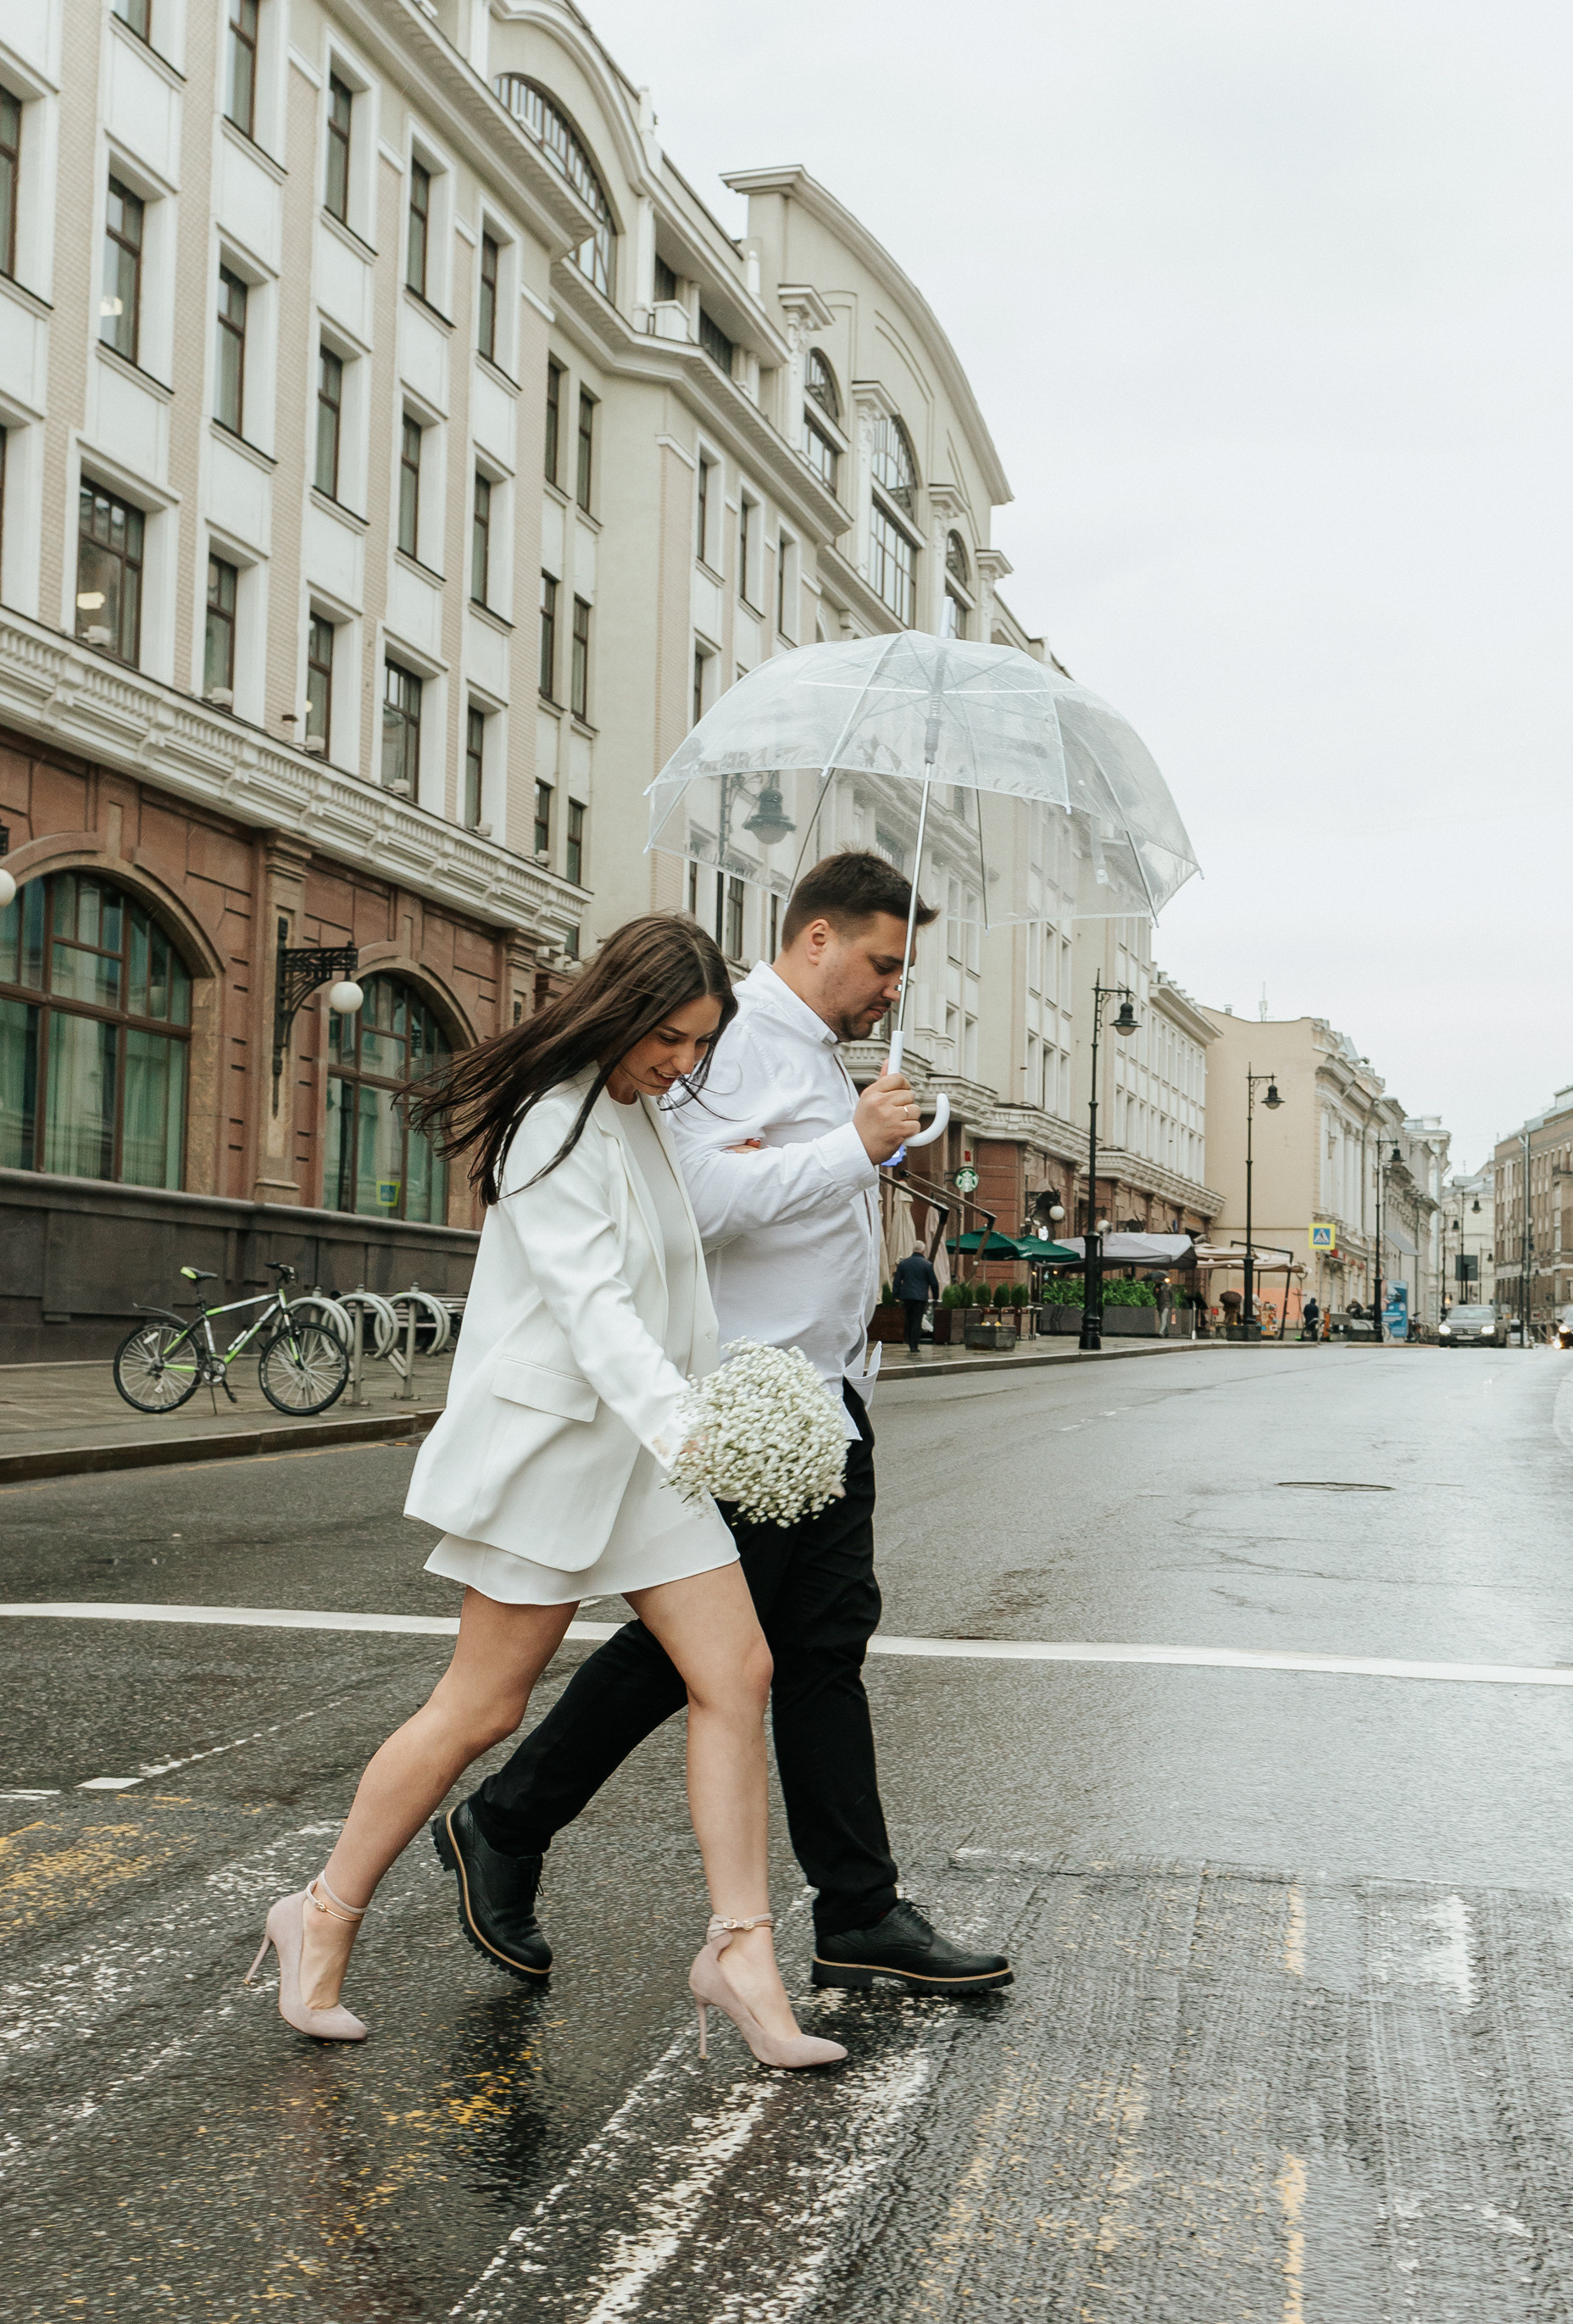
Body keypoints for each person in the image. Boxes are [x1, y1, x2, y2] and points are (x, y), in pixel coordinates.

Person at [245, 912, 845, 2071]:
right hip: (557, 1450)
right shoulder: (553, 1122)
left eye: (699, 1045)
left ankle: (740, 1949)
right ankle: (320, 1911)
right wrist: (698, 1435)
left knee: (740, 1671)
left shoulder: (638, 1110)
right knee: (480, 1711)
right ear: (619, 1010)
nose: (680, 1064)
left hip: (642, 1454)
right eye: (668, 1038)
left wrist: (712, 1407)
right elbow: (595, 1314)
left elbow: (675, 1293)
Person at [442, 852, 1014, 2001]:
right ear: (815, 940)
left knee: (821, 1648)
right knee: (697, 1653)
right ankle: (505, 1820)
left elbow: (793, 1190)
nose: (893, 987)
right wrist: (845, 1148)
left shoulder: (811, 1053)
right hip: (756, 1403)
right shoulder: (737, 1032)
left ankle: (858, 1910)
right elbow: (692, 1207)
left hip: (827, 1399)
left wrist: (866, 1145)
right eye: (881, 960)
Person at [892, 1244, 940, 1354]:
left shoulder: (904, 1263)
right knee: (917, 1321)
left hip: (907, 1296)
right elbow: (934, 1283)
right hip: (920, 1297)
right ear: (923, 1251)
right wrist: (936, 1297)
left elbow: (897, 1281)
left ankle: (908, 1340)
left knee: (908, 1319)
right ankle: (914, 1345)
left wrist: (896, 1295)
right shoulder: (927, 1264)